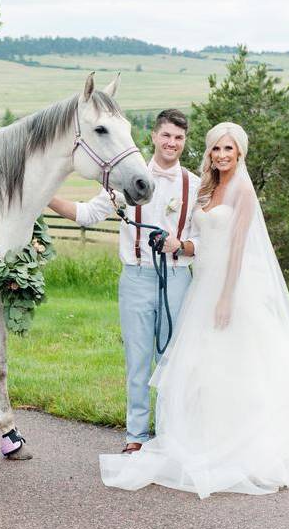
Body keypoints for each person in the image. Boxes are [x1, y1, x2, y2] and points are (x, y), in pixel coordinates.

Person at [99, 122, 289, 498]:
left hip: (230, 285)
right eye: (216, 149)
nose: (222, 155)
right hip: (202, 283)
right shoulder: (208, 187)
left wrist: (227, 296)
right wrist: (178, 245)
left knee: (241, 361)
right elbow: (201, 239)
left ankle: (251, 440)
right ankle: (206, 435)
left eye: (229, 150)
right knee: (204, 365)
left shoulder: (243, 190)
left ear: (239, 153)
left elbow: (239, 250)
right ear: (209, 152)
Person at [49, 109, 201, 454]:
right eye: (166, 136)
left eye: (178, 138)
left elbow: (204, 241)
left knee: (172, 359)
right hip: (135, 278)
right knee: (138, 359)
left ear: (184, 142)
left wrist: (181, 245)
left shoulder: (194, 185)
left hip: (177, 278)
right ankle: (136, 434)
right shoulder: (128, 179)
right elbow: (88, 214)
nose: (171, 143)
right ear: (154, 136)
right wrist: (45, 196)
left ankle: (170, 433)